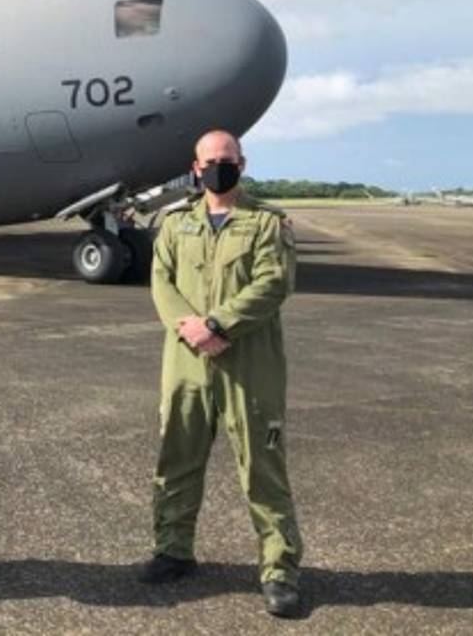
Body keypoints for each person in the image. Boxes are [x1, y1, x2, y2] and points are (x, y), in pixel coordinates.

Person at [140, 129, 303, 618]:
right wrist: (192, 329)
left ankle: (279, 570)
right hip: (186, 365)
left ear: (242, 163)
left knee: (262, 468)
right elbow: (161, 282)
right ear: (195, 168)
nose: (218, 168)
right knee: (176, 460)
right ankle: (173, 550)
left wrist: (218, 324)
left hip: (249, 364)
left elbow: (274, 283)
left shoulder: (267, 223)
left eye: (226, 160)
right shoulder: (174, 224)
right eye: (210, 161)